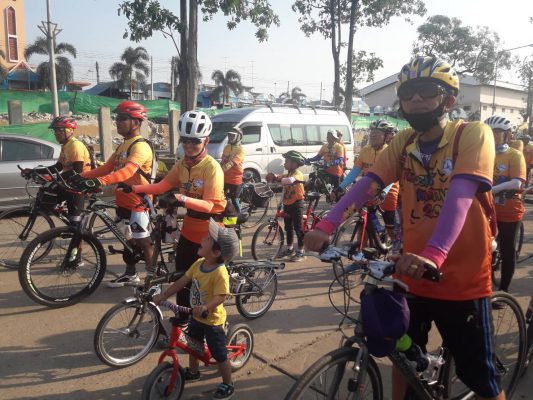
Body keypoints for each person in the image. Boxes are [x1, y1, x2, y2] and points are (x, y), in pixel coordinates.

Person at [305, 56, 503, 400]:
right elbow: (368, 184)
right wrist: (326, 224)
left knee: (480, 379)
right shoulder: (404, 142)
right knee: (403, 359)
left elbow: (459, 196)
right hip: (410, 271)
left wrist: (434, 255)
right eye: (408, 93)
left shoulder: (472, 134)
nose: (416, 99)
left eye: (427, 91)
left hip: (461, 277)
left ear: (449, 100)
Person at [119, 110, 226, 322]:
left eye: (195, 141)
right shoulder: (182, 164)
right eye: (185, 140)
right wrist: (134, 189)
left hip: (209, 233)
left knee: (204, 282)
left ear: (206, 141)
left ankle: (209, 323)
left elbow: (210, 205)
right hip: (189, 230)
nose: (189, 145)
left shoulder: (212, 168)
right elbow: (162, 185)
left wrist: (181, 199)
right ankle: (183, 318)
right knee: (183, 276)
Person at [153, 219, 240, 400]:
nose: (204, 238)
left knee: (220, 355)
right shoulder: (199, 263)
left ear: (216, 252)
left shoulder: (220, 272)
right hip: (196, 316)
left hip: (212, 321)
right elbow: (182, 281)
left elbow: (222, 296)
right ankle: (194, 372)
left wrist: (205, 307)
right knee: (194, 345)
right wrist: (164, 295)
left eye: (208, 239)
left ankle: (228, 383)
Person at [70, 101, 154, 287]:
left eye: (123, 118)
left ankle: (153, 281)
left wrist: (101, 181)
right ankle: (131, 274)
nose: (118, 121)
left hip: (138, 202)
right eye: (117, 118)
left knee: (144, 242)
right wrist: (80, 177)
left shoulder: (140, 146)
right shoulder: (123, 146)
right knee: (128, 240)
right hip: (123, 202)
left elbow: (127, 172)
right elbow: (106, 168)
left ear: (136, 122)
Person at [21, 116, 91, 227]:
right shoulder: (66, 146)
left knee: (75, 222)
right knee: (46, 195)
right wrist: (35, 171)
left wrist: (54, 178)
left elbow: (77, 171)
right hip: (69, 183)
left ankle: (79, 232)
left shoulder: (75, 145)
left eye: (59, 130)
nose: (56, 133)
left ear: (70, 130)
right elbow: (57, 167)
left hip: (78, 186)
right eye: (55, 130)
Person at [335, 119, 398, 237]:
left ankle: (391, 242)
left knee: (390, 227)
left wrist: (384, 192)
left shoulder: (390, 152)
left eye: (377, 133)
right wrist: (341, 187)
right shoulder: (365, 150)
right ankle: (363, 246)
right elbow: (355, 172)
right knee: (364, 223)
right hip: (369, 190)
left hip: (388, 191)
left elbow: (392, 176)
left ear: (386, 136)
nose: (373, 135)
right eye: (372, 132)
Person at [485, 115, 526, 292]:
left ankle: (504, 290)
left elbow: (517, 182)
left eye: (497, 132)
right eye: (489, 132)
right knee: (483, 247)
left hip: (509, 210)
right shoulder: (483, 153)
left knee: (508, 250)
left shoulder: (514, 155)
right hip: (487, 208)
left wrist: (490, 190)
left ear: (507, 134)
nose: (493, 135)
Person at [269, 150, 306, 262]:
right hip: (287, 204)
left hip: (297, 204)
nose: (284, 163)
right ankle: (290, 249)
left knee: (298, 229)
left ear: (294, 163)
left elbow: (290, 180)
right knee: (288, 228)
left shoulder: (298, 174)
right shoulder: (288, 174)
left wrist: (279, 179)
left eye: (287, 161)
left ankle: (301, 251)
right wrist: (273, 176)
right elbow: (282, 177)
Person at [221, 127, 245, 212]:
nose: (230, 137)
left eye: (233, 135)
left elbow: (232, 163)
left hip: (235, 178)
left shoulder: (240, 149)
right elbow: (223, 161)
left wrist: (221, 169)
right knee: (220, 196)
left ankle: (239, 215)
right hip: (225, 177)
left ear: (238, 137)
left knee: (234, 198)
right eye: (229, 135)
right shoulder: (226, 147)